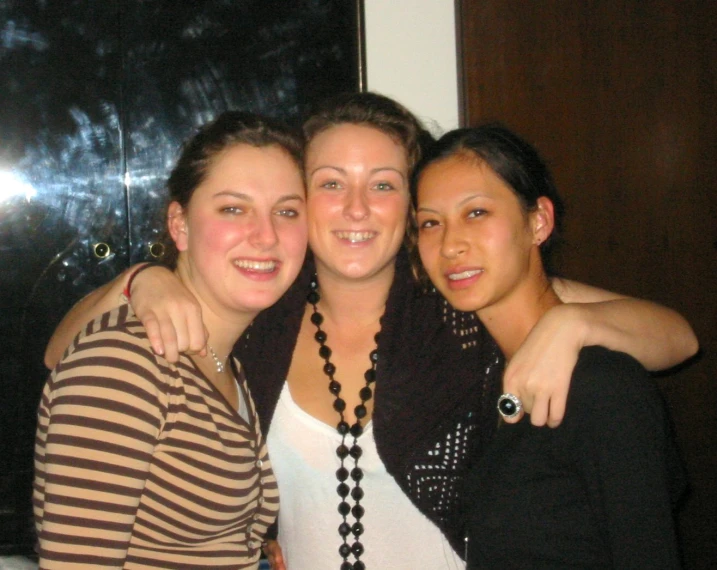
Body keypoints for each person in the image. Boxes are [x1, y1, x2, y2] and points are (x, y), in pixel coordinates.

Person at [44, 93, 697, 570]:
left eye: (382, 185)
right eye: (330, 184)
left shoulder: (459, 309)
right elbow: (61, 353)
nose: (355, 208)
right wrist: (143, 278)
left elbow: (675, 337)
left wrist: (572, 323)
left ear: (411, 210)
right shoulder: (257, 320)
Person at [34, 111, 309, 569]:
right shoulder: (126, 363)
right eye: (233, 209)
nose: (266, 235)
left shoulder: (223, 366)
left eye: (286, 211)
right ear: (179, 225)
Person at [414, 123, 686, 568]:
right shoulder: (480, 371)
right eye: (430, 223)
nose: (450, 245)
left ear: (538, 221)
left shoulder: (600, 386)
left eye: (476, 213)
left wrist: (570, 321)